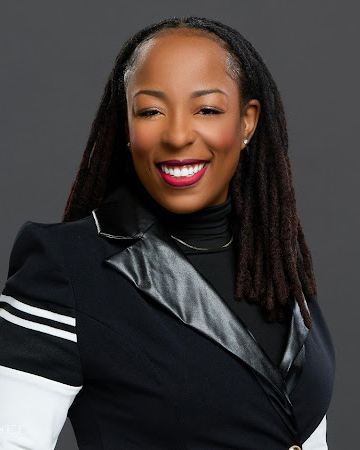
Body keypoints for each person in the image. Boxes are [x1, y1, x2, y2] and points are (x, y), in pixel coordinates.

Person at [0, 16, 335, 450]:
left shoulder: (275, 261)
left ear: (247, 122)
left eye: (208, 109)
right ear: (126, 124)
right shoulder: (65, 270)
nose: (177, 135)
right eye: (151, 111)